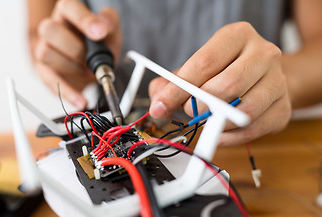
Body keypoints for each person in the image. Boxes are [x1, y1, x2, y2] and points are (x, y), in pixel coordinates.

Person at [27, 0, 322, 146]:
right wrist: (70, 59)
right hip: (132, 140)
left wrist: (282, 82)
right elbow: (37, 33)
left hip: (250, 142)